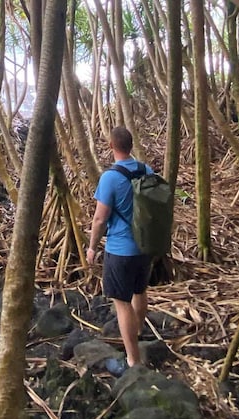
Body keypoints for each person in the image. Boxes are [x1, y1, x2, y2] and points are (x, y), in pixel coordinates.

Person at [86, 127, 153, 373]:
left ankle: (133, 360)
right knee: (140, 290)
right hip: (145, 245)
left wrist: (92, 248)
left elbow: (100, 219)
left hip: (121, 249)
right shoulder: (147, 170)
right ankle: (139, 330)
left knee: (122, 303)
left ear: (111, 146)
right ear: (131, 145)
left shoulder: (109, 178)